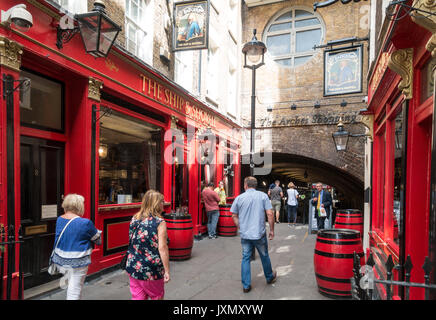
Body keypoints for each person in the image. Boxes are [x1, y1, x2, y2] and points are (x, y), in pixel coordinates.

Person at [230, 176, 277, 293]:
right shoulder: (263, 196)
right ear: (255, 185)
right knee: (264, 255)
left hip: (245, 235)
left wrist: (240, 226)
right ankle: (269, 277)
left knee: (246, 258)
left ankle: (246, 285)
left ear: (245, 185)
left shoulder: (239, 198)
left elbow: (234, 215)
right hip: (259, 234)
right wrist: (271, 230)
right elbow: (270, 214)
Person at [51, 194, 102, 300]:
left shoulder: (60, 219)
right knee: (75, 290)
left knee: (72, 285)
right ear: (79, 206)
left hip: (61, 259)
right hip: (78, 261)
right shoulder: (85, 223)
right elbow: (98, 240)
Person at [125, 190, 170, 300]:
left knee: (137, 297)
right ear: (155, 204)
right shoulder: (160, 222)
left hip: (133, 266)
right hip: (151, 269)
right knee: (157, 296)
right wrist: (167, 270)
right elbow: (162, 248)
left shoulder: (135, 218)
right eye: (161, 202)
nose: (163, 204)